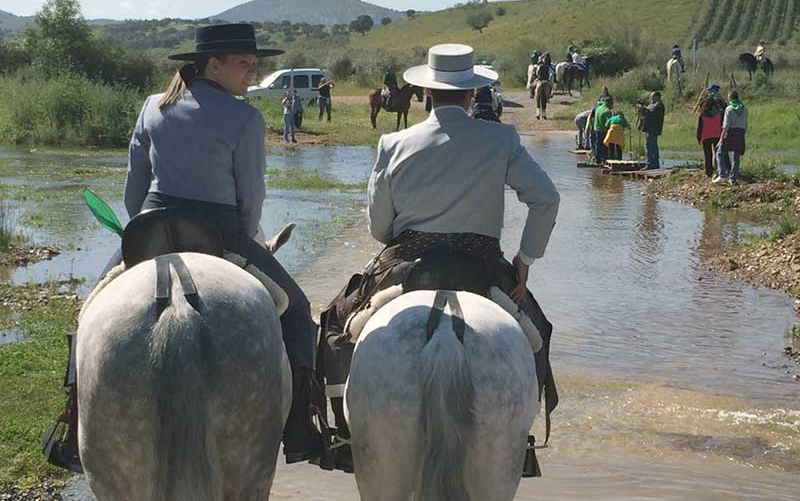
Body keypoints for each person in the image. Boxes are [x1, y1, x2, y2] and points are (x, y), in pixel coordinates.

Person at [44, 24, 323, 472]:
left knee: (89, 312)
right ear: (212, 66)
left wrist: (141, 229)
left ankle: (74, 427)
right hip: (220, 231)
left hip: (151, 226)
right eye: (244, 64)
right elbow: (250, 197)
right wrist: (243, 237)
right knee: (295, 309)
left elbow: (134, 189)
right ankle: (301, 428)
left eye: (254, 64)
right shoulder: (245, 118)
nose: (252, 72)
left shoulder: (152, 107)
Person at [318, 44, 560, 474]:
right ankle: (521, 441)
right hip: (482, 265)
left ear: (425, 93)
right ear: (471, 94)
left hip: (407, 261)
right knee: (537, 333)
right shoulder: (501, 138)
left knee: (336, 325)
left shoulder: (393, 142)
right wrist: (524, 261)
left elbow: (379, 229)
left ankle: (341, 434)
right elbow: (546, 199)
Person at [713, 90, 748, 185]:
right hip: (740, 133)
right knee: (736, 156)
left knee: (720, 153)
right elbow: (745, 124)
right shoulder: (744, 109)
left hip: (731, 132)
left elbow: (726, 125)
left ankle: (722, 175)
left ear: (730, 98)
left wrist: (721, 139)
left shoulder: (729, 109)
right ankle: (733, 178)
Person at [638, 91, 665, 170]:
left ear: (657, 97)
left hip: (653, 129)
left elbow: (652, 115)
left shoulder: (659, 105)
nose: (651, 98)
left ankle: (651, 164)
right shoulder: (652, 105)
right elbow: (646, 113)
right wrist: (641, 110)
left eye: (652, 96)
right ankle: (653, 163)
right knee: (650, 145)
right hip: (648, 128)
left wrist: (644, 109)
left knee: (650, 146)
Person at [696, 95, 723, 177]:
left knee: (708, 154)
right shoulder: (718, 113)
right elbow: (721, 125)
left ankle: (709, 171)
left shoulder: (702, 114)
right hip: (717, 135)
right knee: (718, 153)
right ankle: (720, 169)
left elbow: (700, 127)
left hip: (706, 136)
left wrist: (698, 137)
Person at [592, 96, 613, 164]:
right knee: (605, 145)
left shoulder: (598, 108)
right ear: (609, 103)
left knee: (598, 144)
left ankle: (597, 159)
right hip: (603, 129)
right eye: (612, 104)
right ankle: (605, 159)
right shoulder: (607, 111)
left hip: (596, 128)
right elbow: (609, 122)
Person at [533, 54, 553, 119]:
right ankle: (549, 95)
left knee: (532, 85)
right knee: (550, 87)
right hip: (546, 80)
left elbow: (537, 73)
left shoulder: (539, 67)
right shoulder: (548, 67)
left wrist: (538, 77)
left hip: (540, 80)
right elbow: (550, 74)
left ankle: (532, 93)